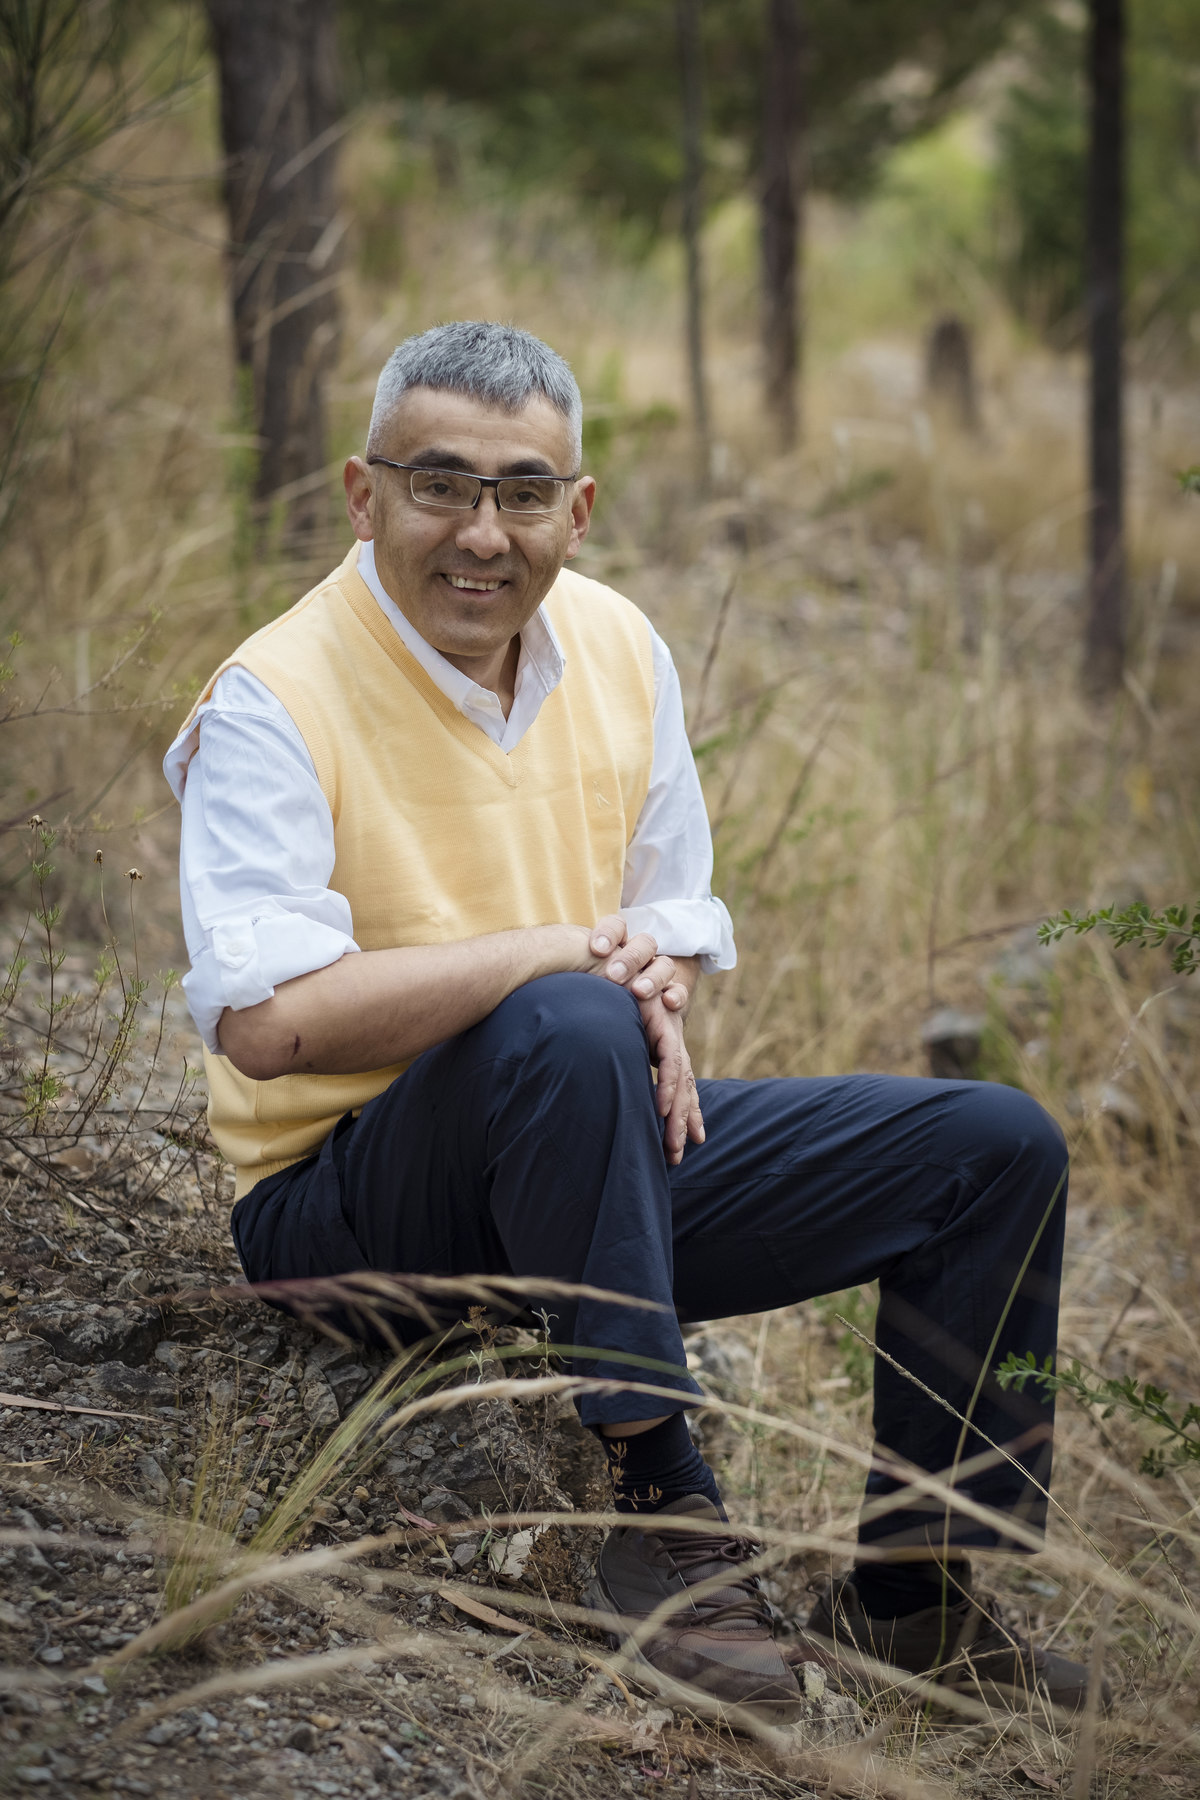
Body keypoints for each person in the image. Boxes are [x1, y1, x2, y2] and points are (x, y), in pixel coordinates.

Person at [165, 321, 1097, 1725]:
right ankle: (664, 1510)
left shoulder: (615, 646)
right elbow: (266, 1027)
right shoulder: (274, 696)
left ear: (577, 509)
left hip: (580, 1151)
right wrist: (570, 965)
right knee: (567, 1017)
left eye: (523, 493)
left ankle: (920, 1597)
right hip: (345, 1217)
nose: (482, 533)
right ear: (364, 496)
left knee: (995, 1145)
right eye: (440, 486)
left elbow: (670, 913)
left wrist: (654, 977)